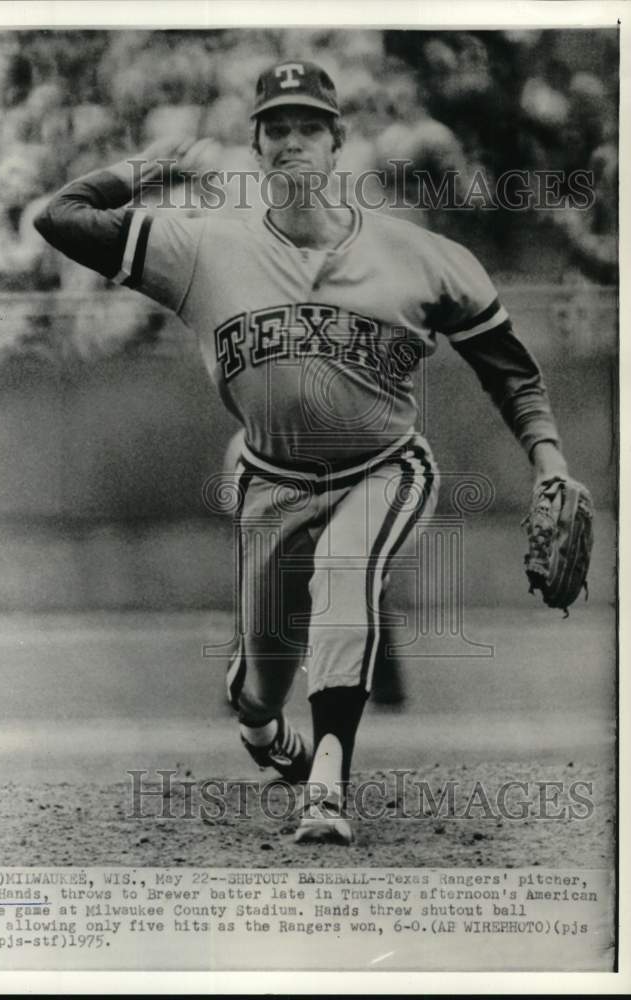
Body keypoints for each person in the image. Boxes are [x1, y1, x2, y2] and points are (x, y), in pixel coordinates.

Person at [34, 60, 569, 845]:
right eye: (275, 128)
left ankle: (326, 784)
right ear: (255, 146)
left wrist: (549, 458)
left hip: (383, 467)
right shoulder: (198, 247)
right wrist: (154, 166)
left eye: (307, 127)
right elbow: (60, 215)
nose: (291, 142)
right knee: (260, 684)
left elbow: (511, 374)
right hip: (268, 480)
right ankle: (263, 727)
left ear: (336, 140)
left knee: (345, 577)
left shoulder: (424, 257)